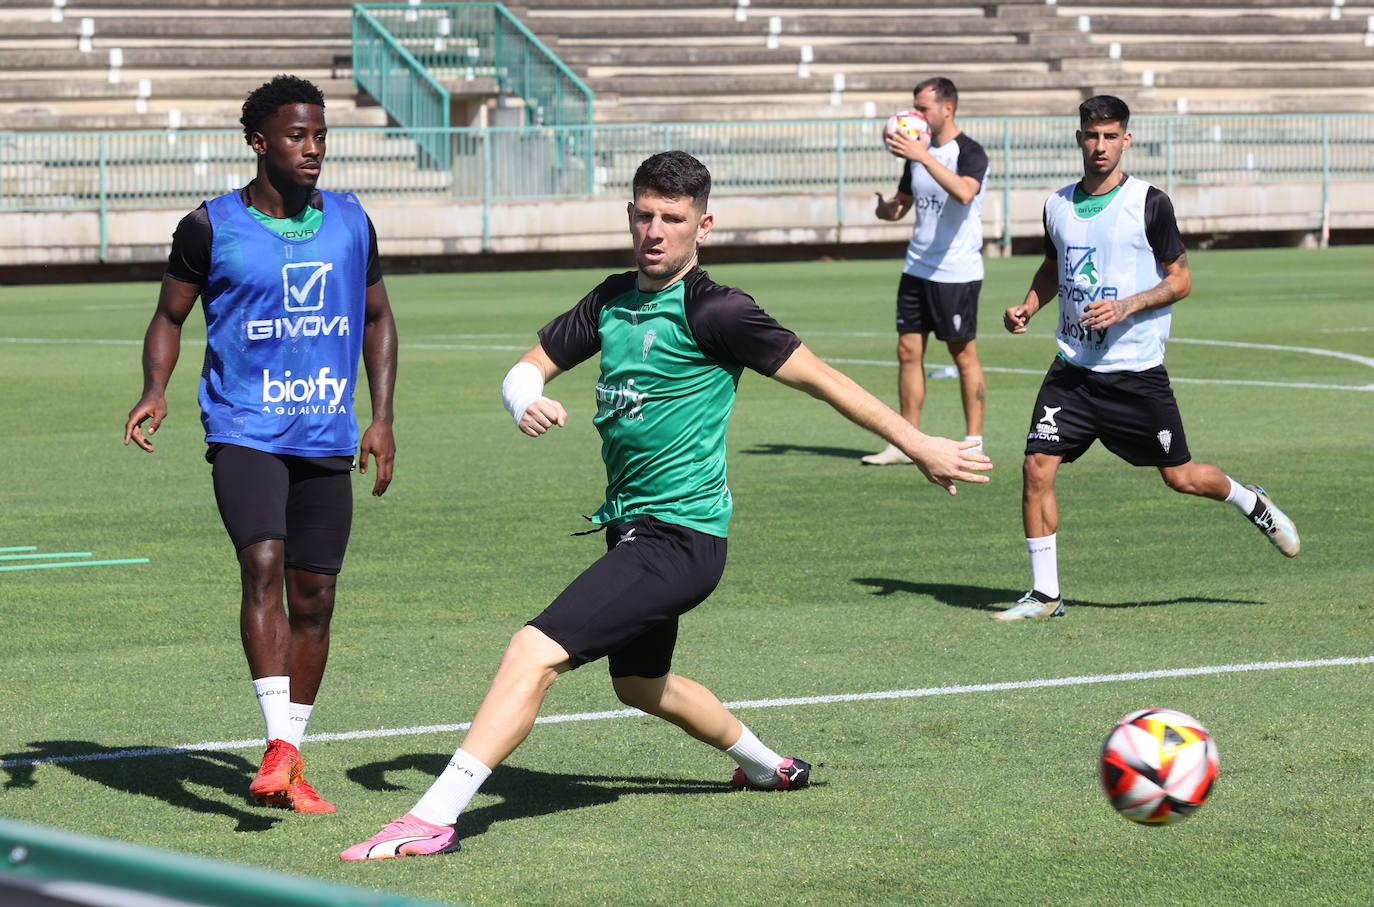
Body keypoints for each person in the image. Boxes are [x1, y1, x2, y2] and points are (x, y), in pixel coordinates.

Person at [340, 151, 990, 860]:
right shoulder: (613, 298)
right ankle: (769, 765)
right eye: (645, 214)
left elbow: (825, 381)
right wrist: (525, 397)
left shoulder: (718, 310)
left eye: (673, 218)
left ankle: (434, 815)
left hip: (680, 538)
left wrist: (920, 442)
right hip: (631, 531)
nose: (655, 230)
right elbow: (528, 365)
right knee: (641, 684)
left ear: (702, 225)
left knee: (532, 652)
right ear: (629, 215)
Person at [123, 75, 398, 809]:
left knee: (316, 597)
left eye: (321, 136)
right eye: (296, 136)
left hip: (327, 433)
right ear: (258, 142)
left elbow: (378, 318)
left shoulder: (349, 221)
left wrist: (382, 416)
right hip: (244, 428)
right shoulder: (209, 226)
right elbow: (169, 316)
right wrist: (156, 387)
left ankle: (290, 756)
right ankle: (278, 744)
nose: (312, 150)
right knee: (264, 565)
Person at [993, 95, 1298, 621]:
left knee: (1181, 477)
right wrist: (1029, 305)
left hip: (1134, 375)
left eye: (1111, 136)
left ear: (1126, 140)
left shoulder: (1150, 203)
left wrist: (1127, 306)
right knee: (1036, 467)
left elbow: (1180, 281)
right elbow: (1053, 266)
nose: (1100, 146)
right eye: (1092, 136)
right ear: (1078, 139)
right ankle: (1046, 595)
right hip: (1072, 372)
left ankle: (1252, 502)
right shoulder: (1056, 204)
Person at [863, 76, 988, 465]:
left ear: (947, 108)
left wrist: (924, 157)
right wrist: (887, 209)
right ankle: (905, 443)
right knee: (907, 351)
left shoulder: (969, 152)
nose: (916, 114)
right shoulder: (915, 156)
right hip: (917, 267)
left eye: (923, 107)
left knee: (962, 353)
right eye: (914, 106)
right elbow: (901, 205)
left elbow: (965, 192)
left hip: (956, 271)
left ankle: (974, 441)